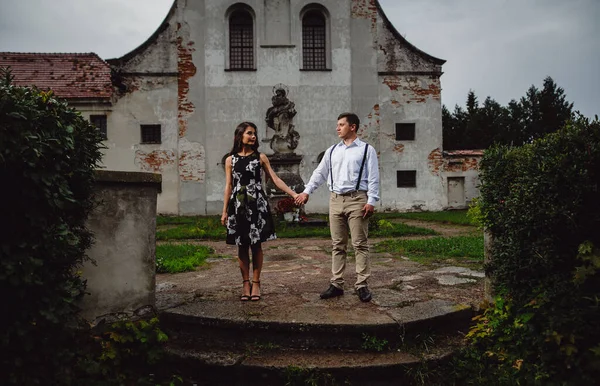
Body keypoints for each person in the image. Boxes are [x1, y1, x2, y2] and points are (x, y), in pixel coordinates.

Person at [295, 113, 380, 302]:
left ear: (353, 127)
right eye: (337, 124)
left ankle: (362, 285)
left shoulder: (366, 150)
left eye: (341, 124)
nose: (337, 128)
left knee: (359, 244)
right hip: (335, 200)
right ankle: (336, 284)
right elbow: (320, 173)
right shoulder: (332, 150)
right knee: (337, 245)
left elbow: (373, 177)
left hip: (358, 199)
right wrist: (307, 191)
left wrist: (371, 201)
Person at [222, 122, 298, 301]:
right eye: (249, 133)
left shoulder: (260, 157)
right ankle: (245, 283)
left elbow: (275, 179)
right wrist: (224, 211)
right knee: (241, 245)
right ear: (240, 135)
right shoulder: (230, 160)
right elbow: (228, 186)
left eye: (254, 133)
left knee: (256, 245)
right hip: (238, 205)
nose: (253, 136)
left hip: (257, 204)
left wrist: (293, 194)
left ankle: (256, 283)